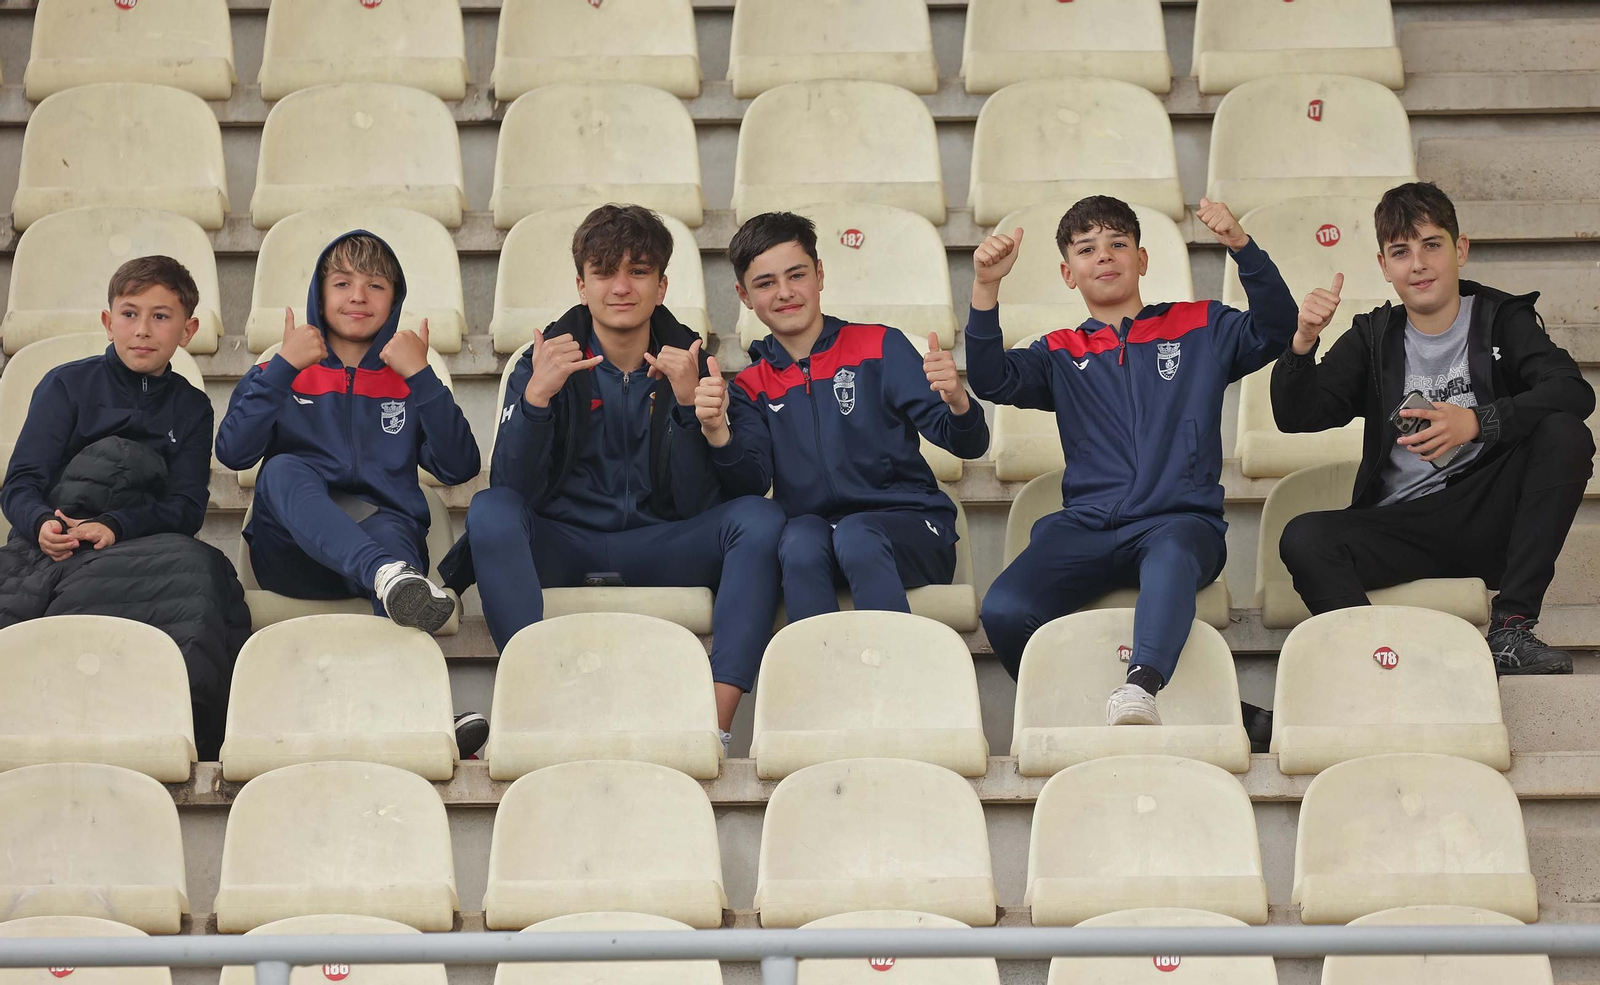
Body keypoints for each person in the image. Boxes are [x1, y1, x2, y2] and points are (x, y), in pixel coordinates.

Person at [442, 204, 785, 748]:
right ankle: (535, 711)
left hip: (662, 542)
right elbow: (510, 488)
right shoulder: (542, 362)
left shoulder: (698, 364)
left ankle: (714, 726)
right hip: (566, 541)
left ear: (662, 285)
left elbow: (712, 499)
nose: (621, 287)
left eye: (639, 271)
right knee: (490, 511)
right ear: (582, 285)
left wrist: (688, 408)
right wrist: (536, 400)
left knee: (760, 519)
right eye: (604, 272)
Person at [967, 195, 1299, 726]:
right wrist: (986, 286)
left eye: (1119, 243)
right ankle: (1096, 708)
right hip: (1086, 526)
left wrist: (1241, 245)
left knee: (1169, 560)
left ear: (1142, 260)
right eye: (1087, 248)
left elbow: (1278, 329)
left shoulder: (1201, 327)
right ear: (1067, 273)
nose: (1105, 255)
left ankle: (1141, 686)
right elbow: (989, 379)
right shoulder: (1059, 350)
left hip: (1180, 522)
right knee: (1004, 610)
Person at [1273, 181, 1595, 675]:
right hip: (1403, 524)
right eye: (1401, 252)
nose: (1418, 263)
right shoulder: (1373, 336)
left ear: (1459, 249)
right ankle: (1374, 657)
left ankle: (1510, 628)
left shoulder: (1501, 319)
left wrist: (1478, 422)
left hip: (1486, 513)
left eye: (1431, 245)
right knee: (1305, 536)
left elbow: (1573, 391)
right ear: (1384, 267)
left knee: (1565, 434)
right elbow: (1298, 416)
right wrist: (1302, 344)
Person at [214, 231, 486, 753]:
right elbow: (233, 452)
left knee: (396, 537)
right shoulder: (283, 366)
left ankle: (423, 712)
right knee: (282, 471)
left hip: (380, 542)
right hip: (292, 553)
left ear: (394, 298)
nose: (358, 296)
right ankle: (391, 595)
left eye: (374, 285)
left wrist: (423, 376)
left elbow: (458, 467)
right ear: (320, 293)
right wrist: (284, 368)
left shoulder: (408, 375)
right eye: (342, 283)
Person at [0, 255, 249, 758]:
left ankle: (186, 734)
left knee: (201, 571)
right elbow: (21, 484)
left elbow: (185, 507)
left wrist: (115, 525)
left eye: (161, 316)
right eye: (130, 314)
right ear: (107, 321)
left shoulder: (192, 406)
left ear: (188, 329)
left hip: (141, 544)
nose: (142, 330)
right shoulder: (66, 384)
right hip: (57, 545)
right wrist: (43, 524)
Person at [692, 211, 989, 620]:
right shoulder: (750, 386)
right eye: (765, 283)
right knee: (796, 539)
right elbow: (752, 483)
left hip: (913, 531)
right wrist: (717, 432)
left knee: (857, 533)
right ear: (744, 297)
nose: (784, 292)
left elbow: (969, 444)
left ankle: (890, 674)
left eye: (796, 275)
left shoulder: (880, 346)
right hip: (818, 539)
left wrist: (958, 401)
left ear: (819, 275)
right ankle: (821, 677)